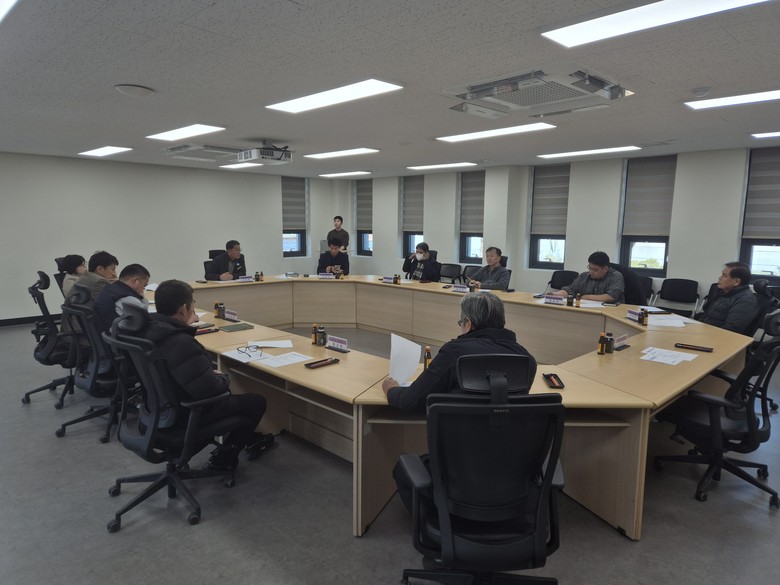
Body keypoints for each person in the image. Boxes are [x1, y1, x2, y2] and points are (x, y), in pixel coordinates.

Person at [143, 280, 273, 471]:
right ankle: (225, 459)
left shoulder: (150, 331)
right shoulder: (180, 342)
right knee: (256, 402)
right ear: (182, 309)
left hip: (157, 410)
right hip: (186, 414)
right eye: (192, 304)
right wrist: (223, 377)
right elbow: (209, 390)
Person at [382, 291, 537, 413]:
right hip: (510, 441)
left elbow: (411, 401)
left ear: (468, 323)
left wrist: (392, 389)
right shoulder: (527, 358)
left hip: (459, 439)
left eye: (461, 322)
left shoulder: (454, 352)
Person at [696, 262, 759, 333]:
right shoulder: (725, 293)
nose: (720, 278)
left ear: (736, 281)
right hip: (706, 331)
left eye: (724, 275)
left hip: (718, 336)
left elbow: (731, 329)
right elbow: (707, 315)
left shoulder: (746, 300)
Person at [93, 263, 151, 332]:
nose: (144, 289)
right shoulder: (126, 298)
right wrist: (142, 297)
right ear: (136, 281)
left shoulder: (111, 288)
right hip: (118, 335)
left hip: (105, 331)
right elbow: (144, 316)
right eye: (144, 285)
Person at [554, 251, 624, 303]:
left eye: (595, 270)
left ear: (605, 269)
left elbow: (611, 297)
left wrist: (585, 297)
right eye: (589, 268)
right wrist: (556, 294)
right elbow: (571, 290)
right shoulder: (584, 276)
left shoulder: (616, 276)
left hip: (609, 310)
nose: (591, 272)